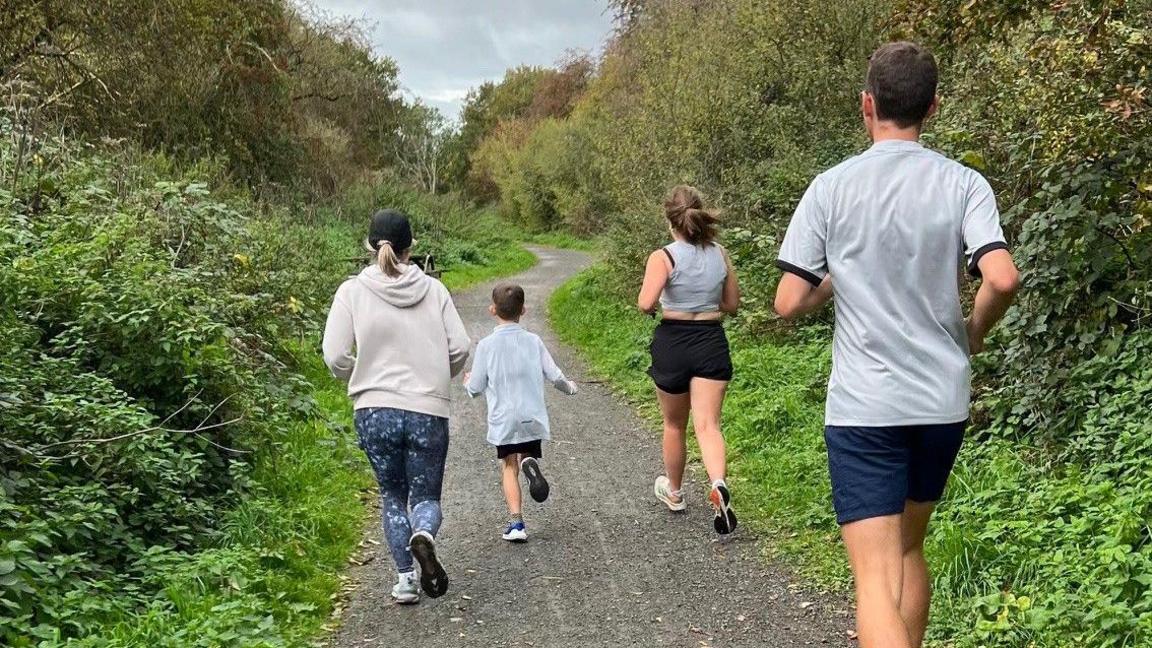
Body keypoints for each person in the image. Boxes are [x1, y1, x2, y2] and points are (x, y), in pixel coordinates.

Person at [773, 42, 1020, 648]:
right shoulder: (964, 184)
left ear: (867, 104)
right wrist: (973, 335)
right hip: (941, 401)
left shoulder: (831, 187)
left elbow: (787, 301)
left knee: (874, 580)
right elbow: (1002, 276)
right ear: (932, 107)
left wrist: (842, 275)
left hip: (866, 408)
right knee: (910, 547)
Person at [322, 209, 470, 605]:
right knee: (425, 498)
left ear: (370, 247)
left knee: (391, 494)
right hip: (427, 409)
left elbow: (334, 355)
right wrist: (438, 375)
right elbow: (460, 348)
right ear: (411, 248)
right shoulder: (434, 291)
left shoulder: (351, 291)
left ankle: (405, 579)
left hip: (374, 410)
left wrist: (362, 372)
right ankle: (423, 535)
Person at [637, 185, 741, 534]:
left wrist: (657, 303)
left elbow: (646, 302)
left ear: (671, 222)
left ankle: (676, 492)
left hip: (673, 342)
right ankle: (718, 483)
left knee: (674, 425)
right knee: (709, 425)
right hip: (710, 340)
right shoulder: (720, 254)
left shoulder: (663, 257)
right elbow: (731, 305)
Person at [464, 283, 578, 542]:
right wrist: (571, 388)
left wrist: (467, 383)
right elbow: (555, 375)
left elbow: (476, 386)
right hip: (531, 415)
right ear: (524, 310)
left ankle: (516, 524)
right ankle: (530, 463)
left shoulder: (486, 346)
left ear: (492, 310)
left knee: (508, 465)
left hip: (504, 419)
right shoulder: (533, 341)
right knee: (526, 452)